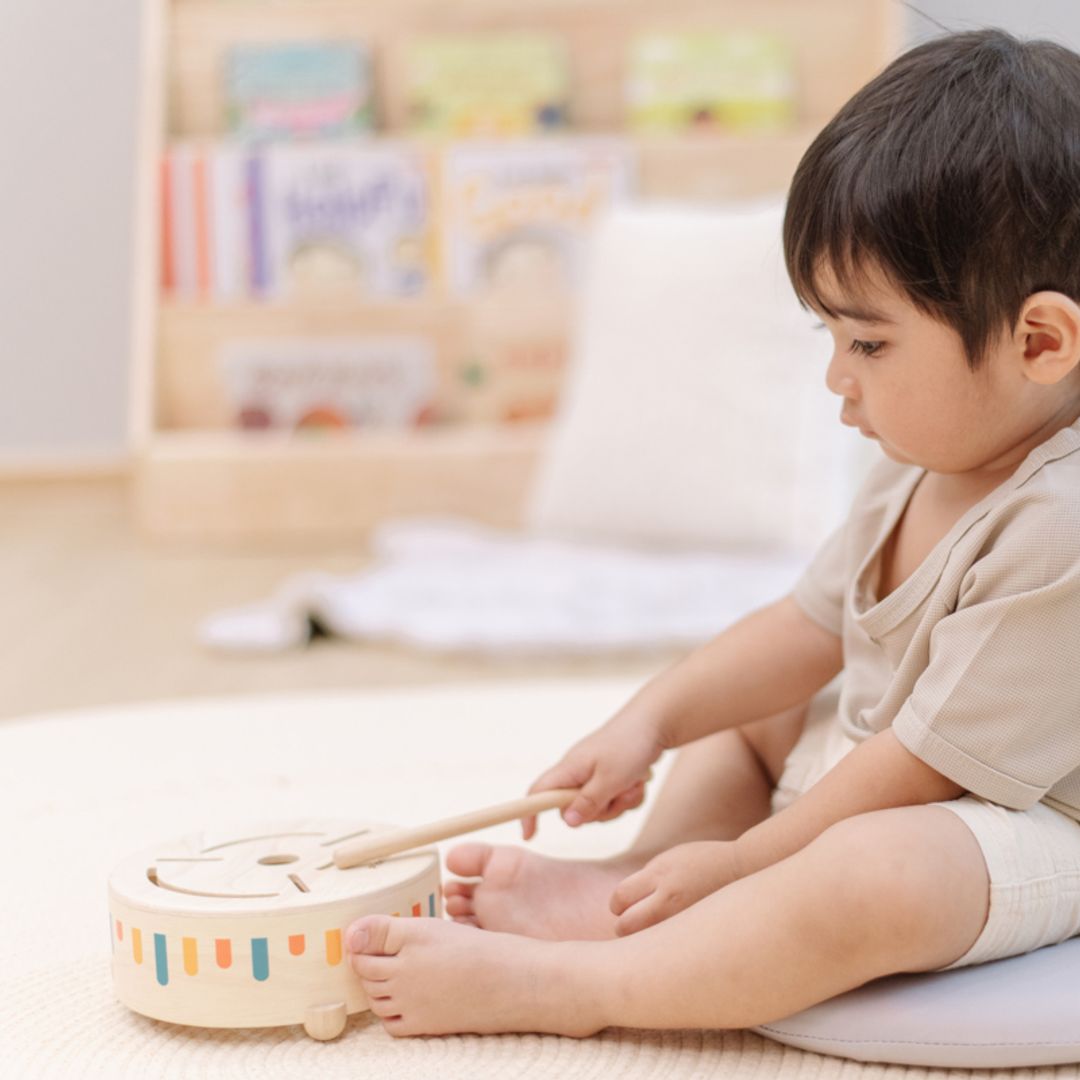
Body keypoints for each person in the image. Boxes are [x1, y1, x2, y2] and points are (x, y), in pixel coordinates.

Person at [344, 28, 1080, 1036]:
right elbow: (802, 629)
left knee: (879, 873)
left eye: (867, 341)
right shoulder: (919, 459)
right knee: (750, 709)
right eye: (827, 337)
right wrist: (647, 724)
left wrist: (745, 866)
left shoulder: (1059, 520)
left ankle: (575, 992)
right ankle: (638, 888)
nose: (838, 377)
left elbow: (922, 766)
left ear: (1040, 342)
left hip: (1032, 815)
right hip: (894, 762)